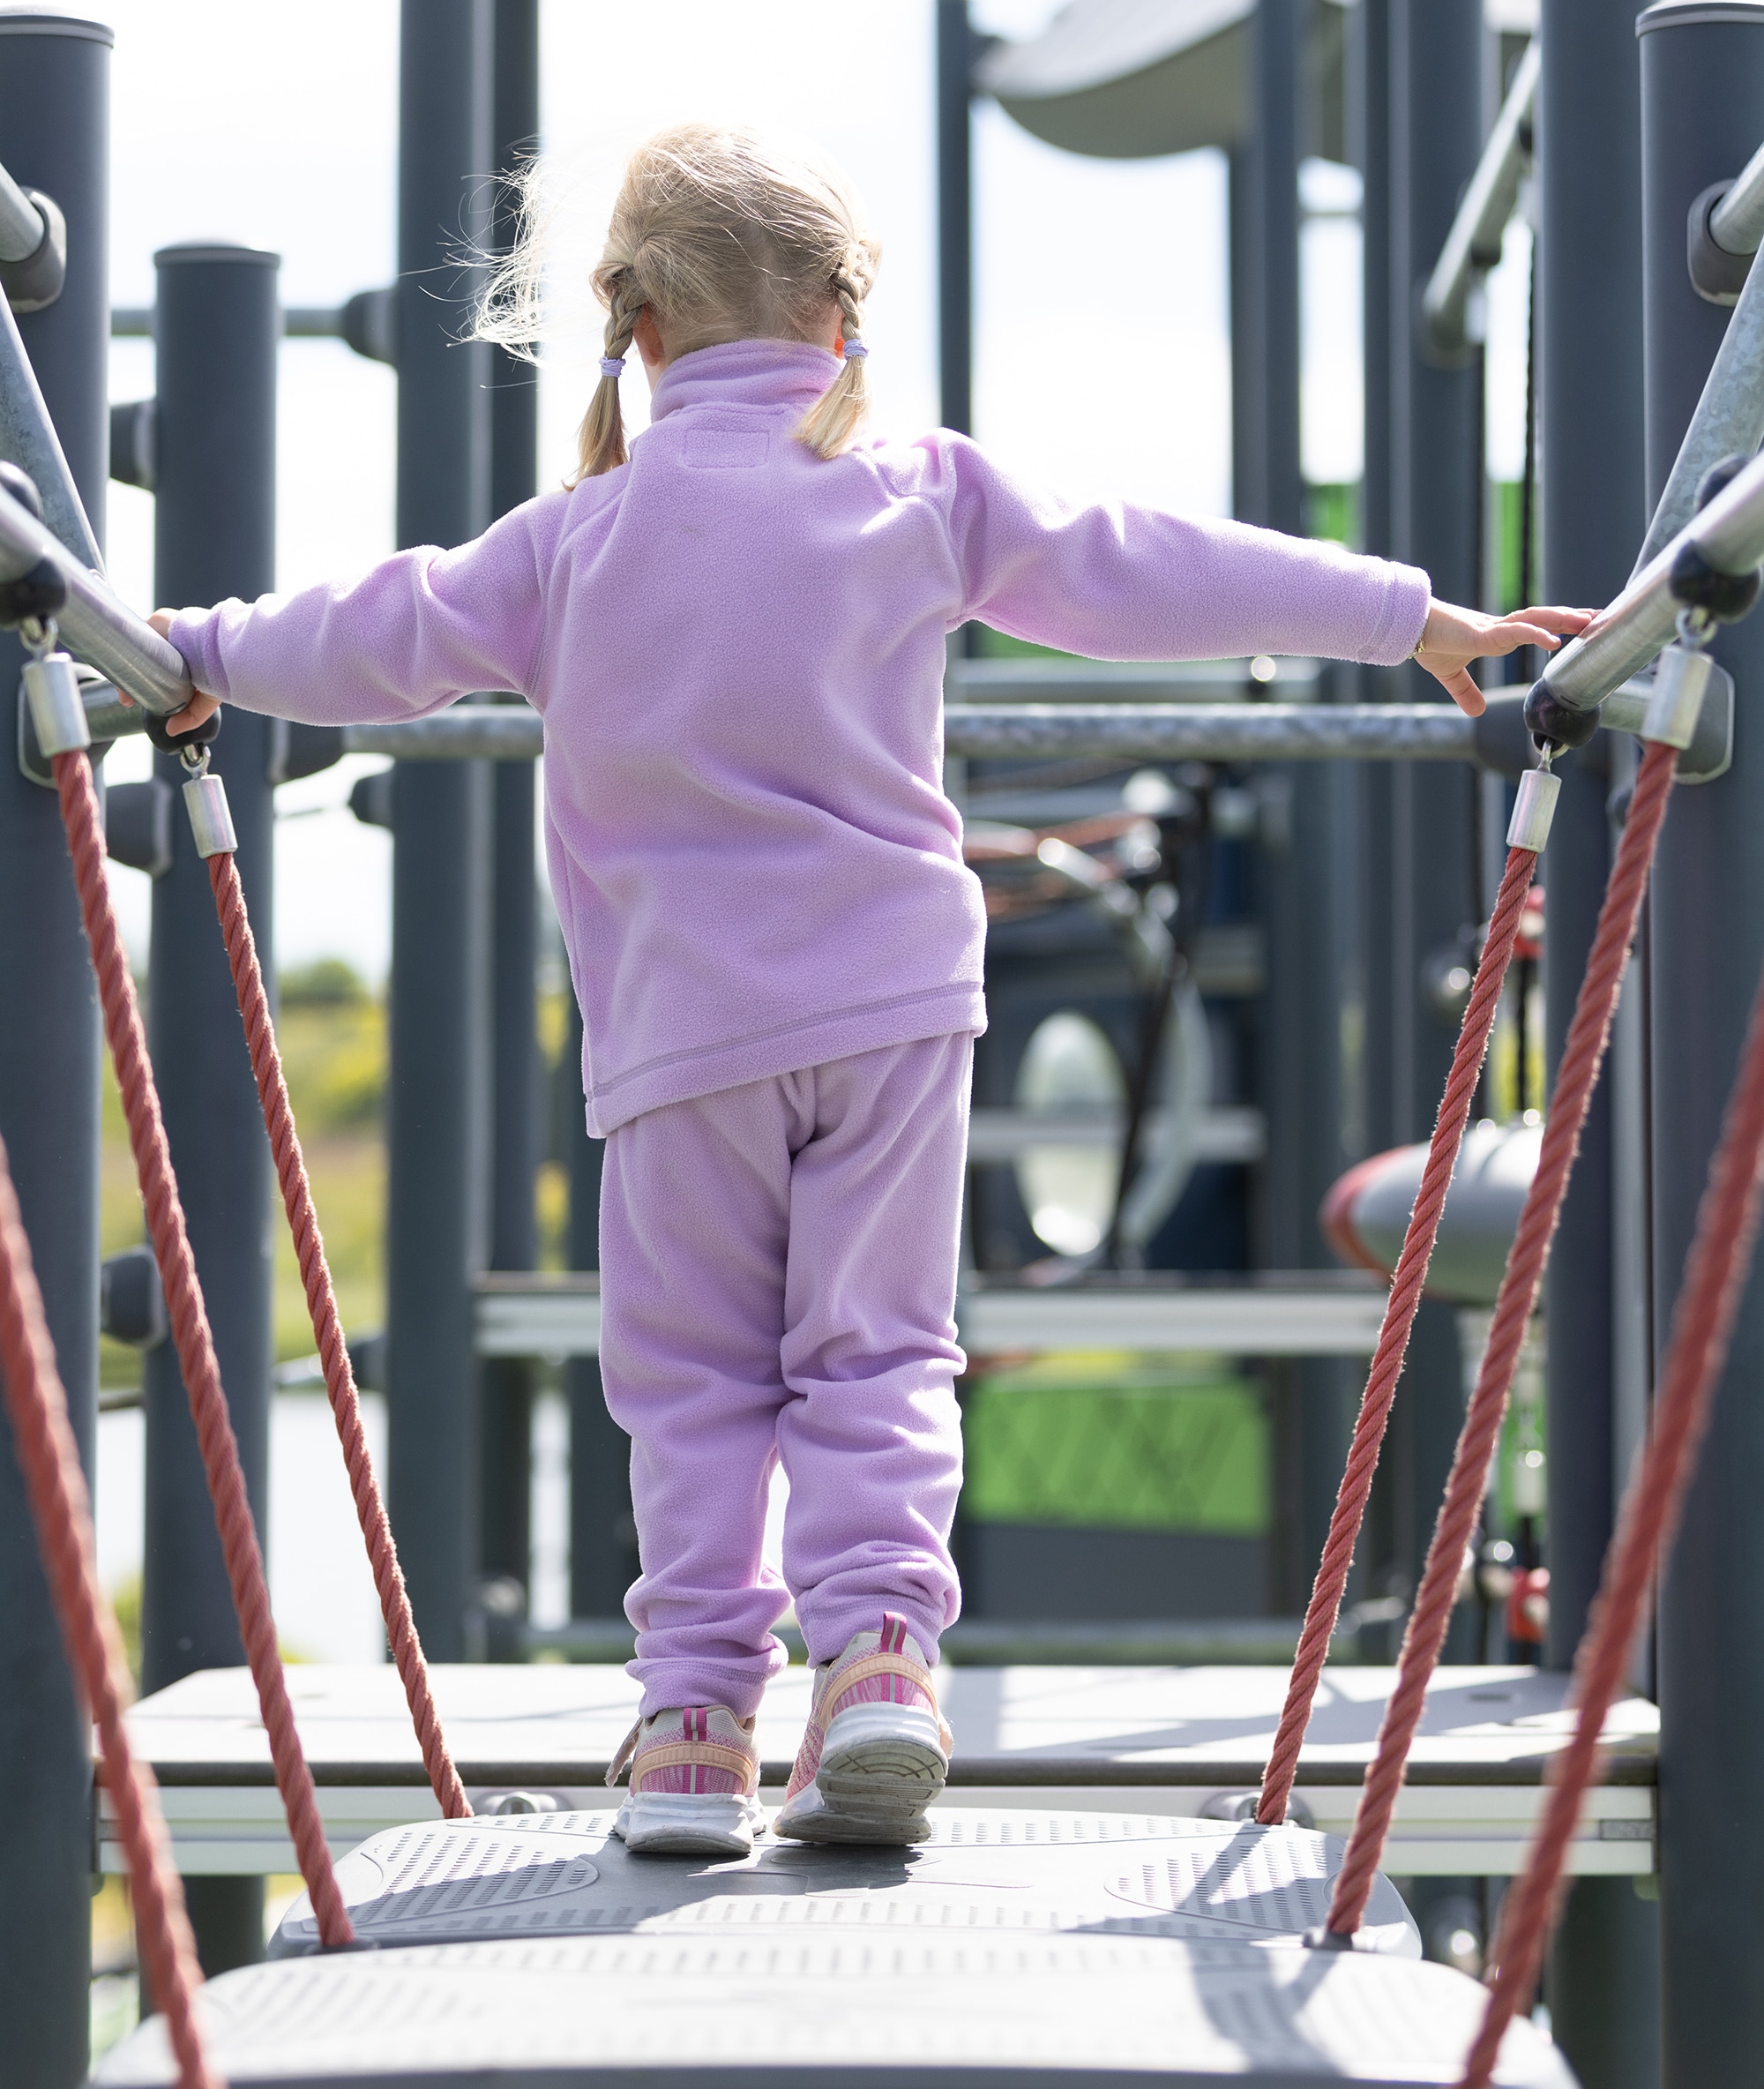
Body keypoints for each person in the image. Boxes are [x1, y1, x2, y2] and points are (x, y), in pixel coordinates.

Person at [150, 124, 1590, 1861]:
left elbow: (376, 632)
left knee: (688, 1379)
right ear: (844, 319)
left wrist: (196, 651)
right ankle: (883, 1660)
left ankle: (691, 1724)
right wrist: (1409, 612)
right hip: (898, 1009)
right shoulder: (921, 488)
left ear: (638, 324)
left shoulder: (572, 541)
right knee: (880, 1353)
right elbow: (1140, 563)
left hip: (681, 1035)